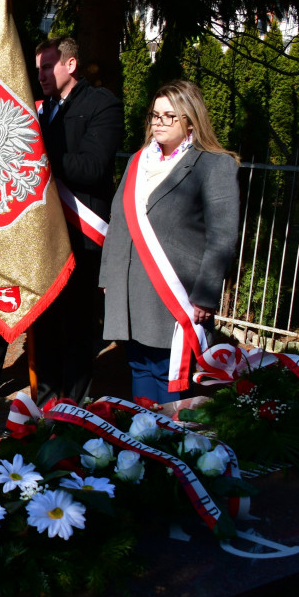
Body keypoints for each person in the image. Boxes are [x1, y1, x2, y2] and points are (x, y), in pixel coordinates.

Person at [100, 79, 240, 403]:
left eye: (169, 116)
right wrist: (109, 278)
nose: (159, 122)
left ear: (190, 119)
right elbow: (119, 221)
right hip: (132, 291)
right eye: (155, 115)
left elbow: (223, 236)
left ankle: (170, 451)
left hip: (177, 295)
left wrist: (206, 295)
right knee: (138, 369)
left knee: (169, 378)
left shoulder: (214, 164)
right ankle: (142, 449)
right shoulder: (139, 161)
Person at [31, 36, 123, 406]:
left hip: (81, 234)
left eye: (47, 66)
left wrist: (38, 154)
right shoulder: (39, 109)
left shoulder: (102, 104)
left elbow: (92, 167)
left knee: (78, 327)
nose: (41, 75)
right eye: (37, 68)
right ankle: (48, 406)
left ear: (71, 65)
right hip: (44, 233)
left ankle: (76, 410)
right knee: (47, 323)